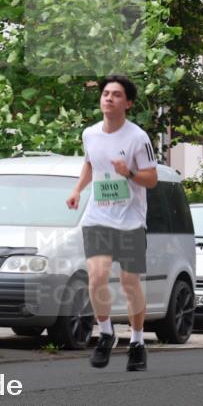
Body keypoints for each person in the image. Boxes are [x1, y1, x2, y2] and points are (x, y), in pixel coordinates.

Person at [66, 75, 158, 371]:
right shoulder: (90, 134)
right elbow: (91, 163)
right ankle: (106, 333)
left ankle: (137, 341)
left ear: (127, 103)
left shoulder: (138, 138)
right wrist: (77, 190)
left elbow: (152, 180)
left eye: (116, 95)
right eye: (105, 93)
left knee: (130, 284)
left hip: (130, 220)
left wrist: (128, 172)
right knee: (96, 277)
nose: (108, 98)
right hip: (98, 217)